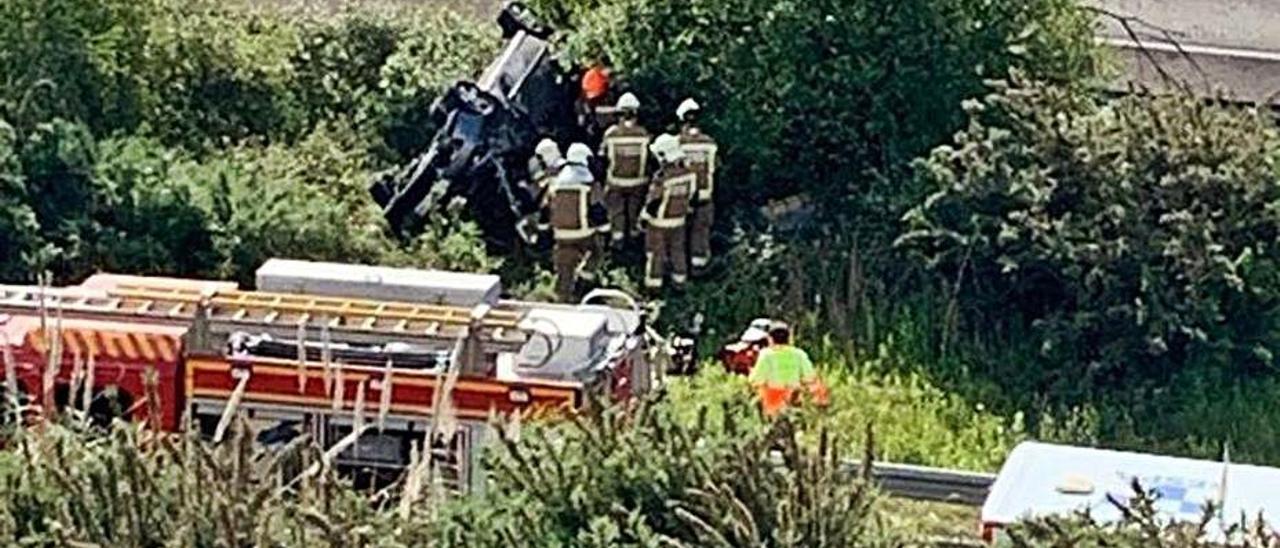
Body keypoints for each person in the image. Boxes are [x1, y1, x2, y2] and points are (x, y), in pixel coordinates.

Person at [543, 142, 609, 301]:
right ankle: (583, 282)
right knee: (596, 252)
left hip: (560, 234)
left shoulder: (556, 184)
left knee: (564, 267)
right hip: (584, 232)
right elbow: (597, 210)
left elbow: (546, 209)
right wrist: (605, 229)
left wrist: (543, 230)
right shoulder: (589, 184)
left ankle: (562, 299)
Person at [641, 134, 695, 291]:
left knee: (655, 254)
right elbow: (691, 196)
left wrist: (643, 219)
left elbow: (653, 203)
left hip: (658, 223)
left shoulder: (662, 178)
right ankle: (680, 281)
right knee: (678, 251)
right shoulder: (689, 174)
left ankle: (653, 287)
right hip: (679, 220)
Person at [600, 92, 651, 246]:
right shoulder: (644, 134)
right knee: (635, 210)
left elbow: (602, 156)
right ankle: (634, 238)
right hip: (639, 181)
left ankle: (618, 240)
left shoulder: (611, 134)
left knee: (616, 211)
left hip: (615, 181)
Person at [748, 321, 827, 417]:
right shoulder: (799, 354)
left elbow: (757, 380)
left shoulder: (766, 355)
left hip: (773, 400)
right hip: (794, 397)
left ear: (770, 339)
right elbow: (809, 377)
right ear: (789, 338)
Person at [676, 98, 718, 274]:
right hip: (704, 196)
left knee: (678, 234)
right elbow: (715, 166)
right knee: (700, 233)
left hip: (681, 196)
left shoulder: (676, 143)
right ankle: (699, 268)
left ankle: (678, 270)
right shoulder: (710, 143)